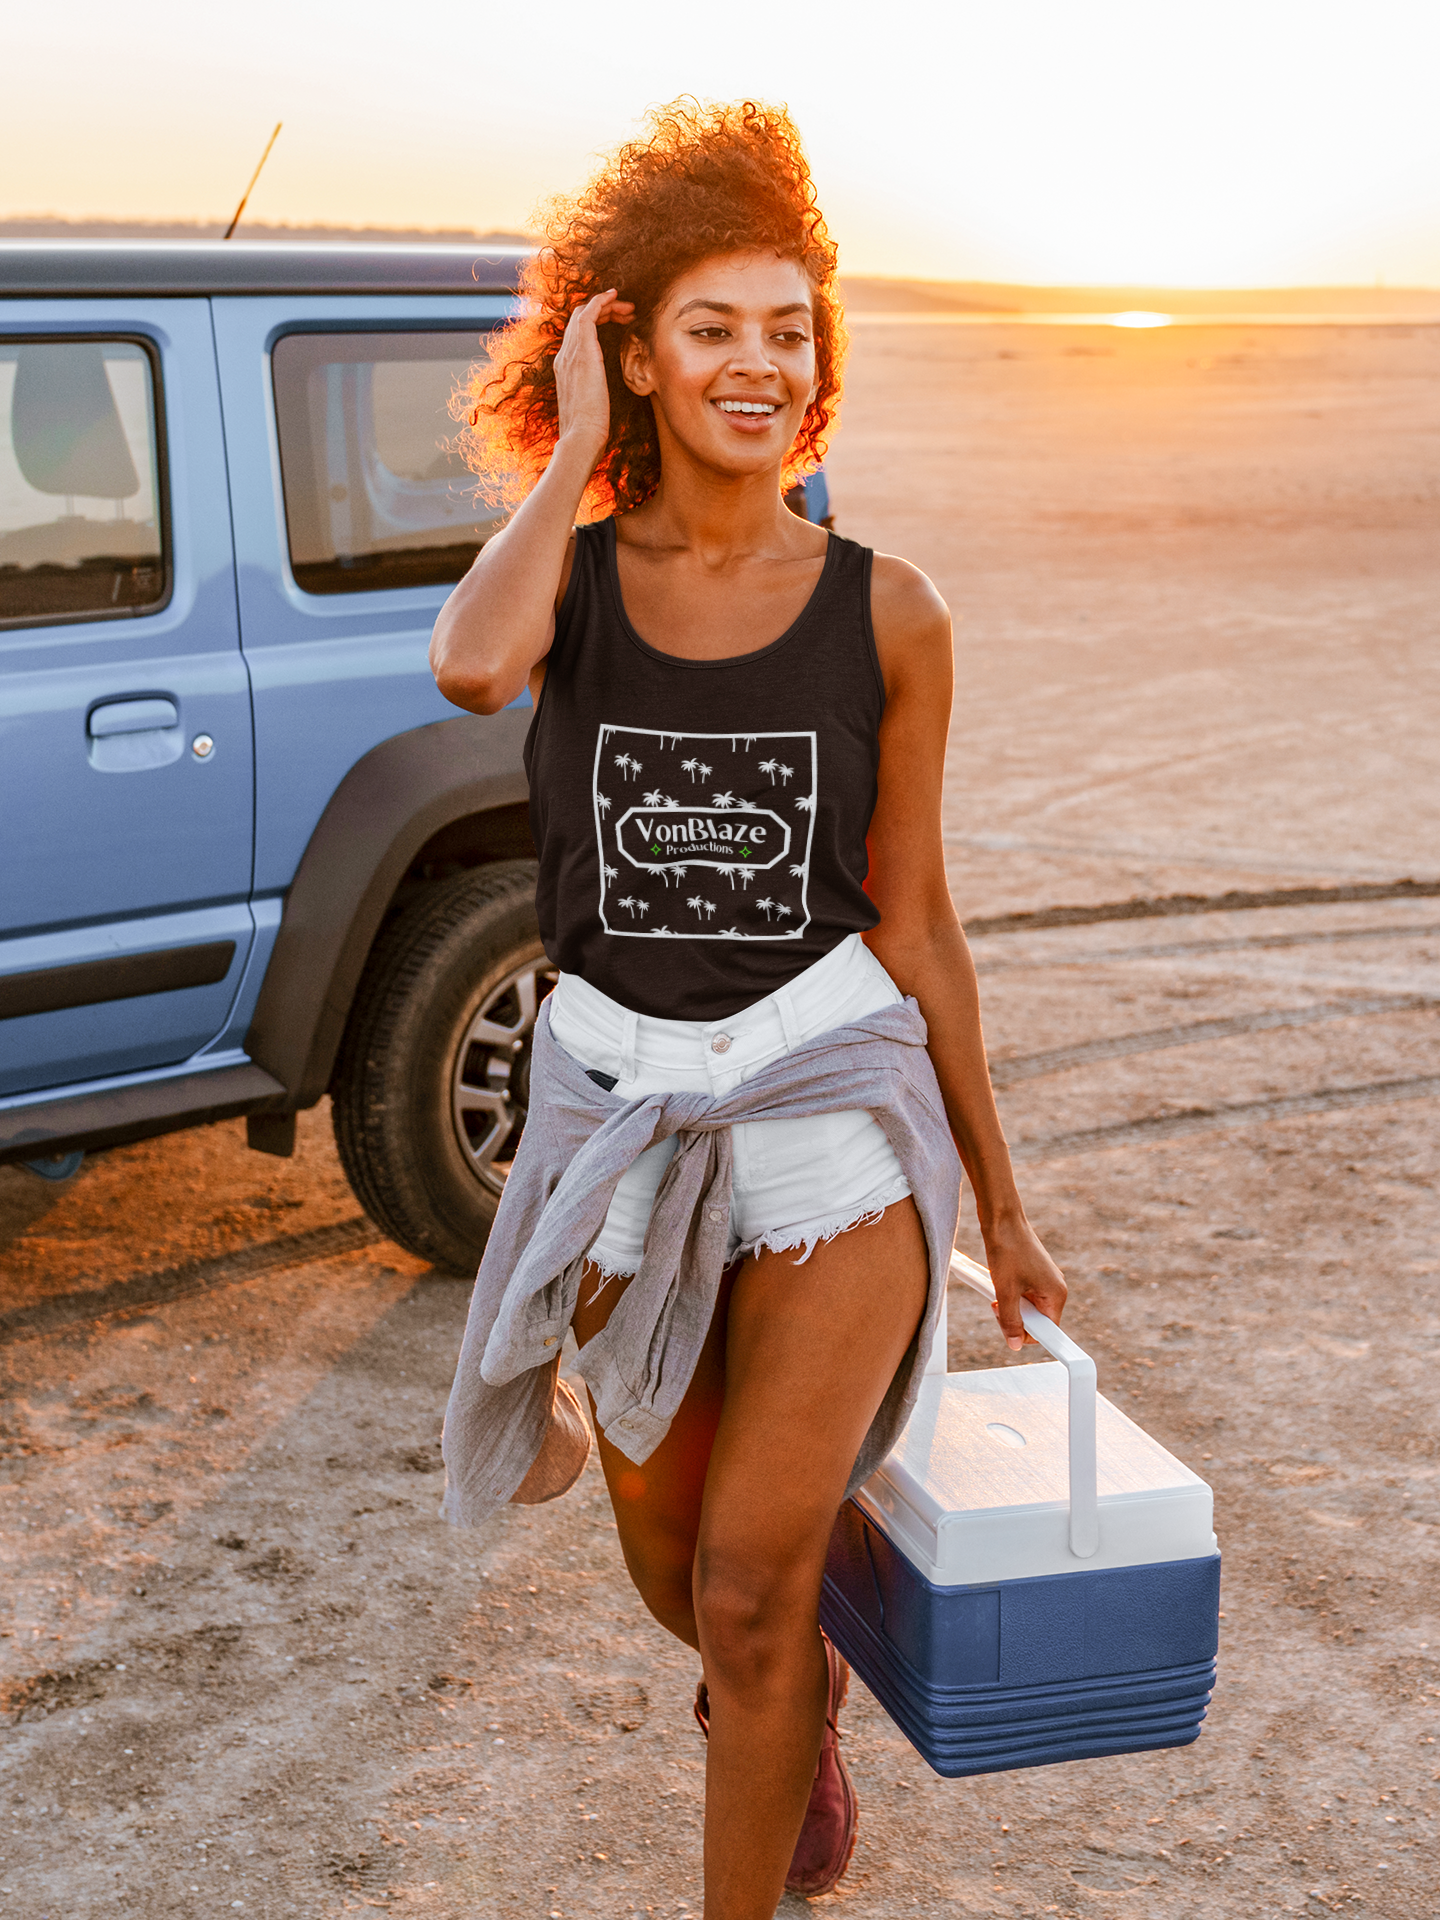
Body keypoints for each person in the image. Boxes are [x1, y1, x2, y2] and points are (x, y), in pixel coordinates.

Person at [429, 99, 1066, 1920]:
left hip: (834, 1117)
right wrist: (574, 444)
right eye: (712, 327)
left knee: (751, 1578)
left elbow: (923, 921)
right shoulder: (575, 595)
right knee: (671, 1550)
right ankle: (776, 1703)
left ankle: (766, 1745)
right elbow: (470, 662)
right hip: (626, 1101)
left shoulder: (891, 614)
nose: (761, 366)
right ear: (631, 346)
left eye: (791, 331)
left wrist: (1002, 1209)